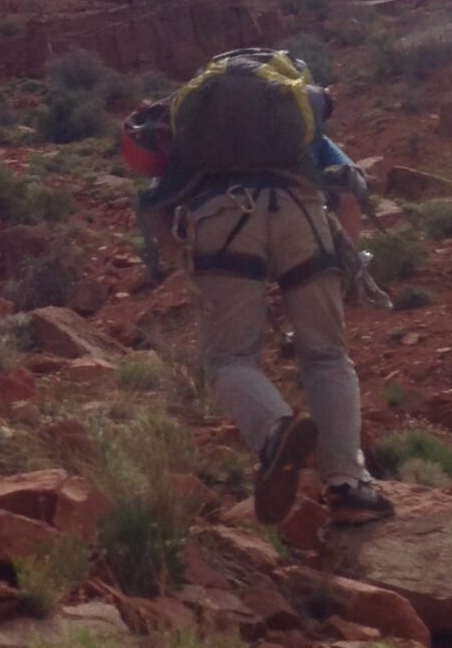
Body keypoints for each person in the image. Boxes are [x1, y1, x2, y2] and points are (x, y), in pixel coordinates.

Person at [130, 53, 394, 527]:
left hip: (222, 218)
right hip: (303, 213)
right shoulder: (296, 126)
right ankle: (348, 487)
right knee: (328, 357)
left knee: (230, 359)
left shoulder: (197, 137)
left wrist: (185, 263)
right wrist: (340, 264)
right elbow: (350, 191)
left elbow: (154, 209)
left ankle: (275, 433)